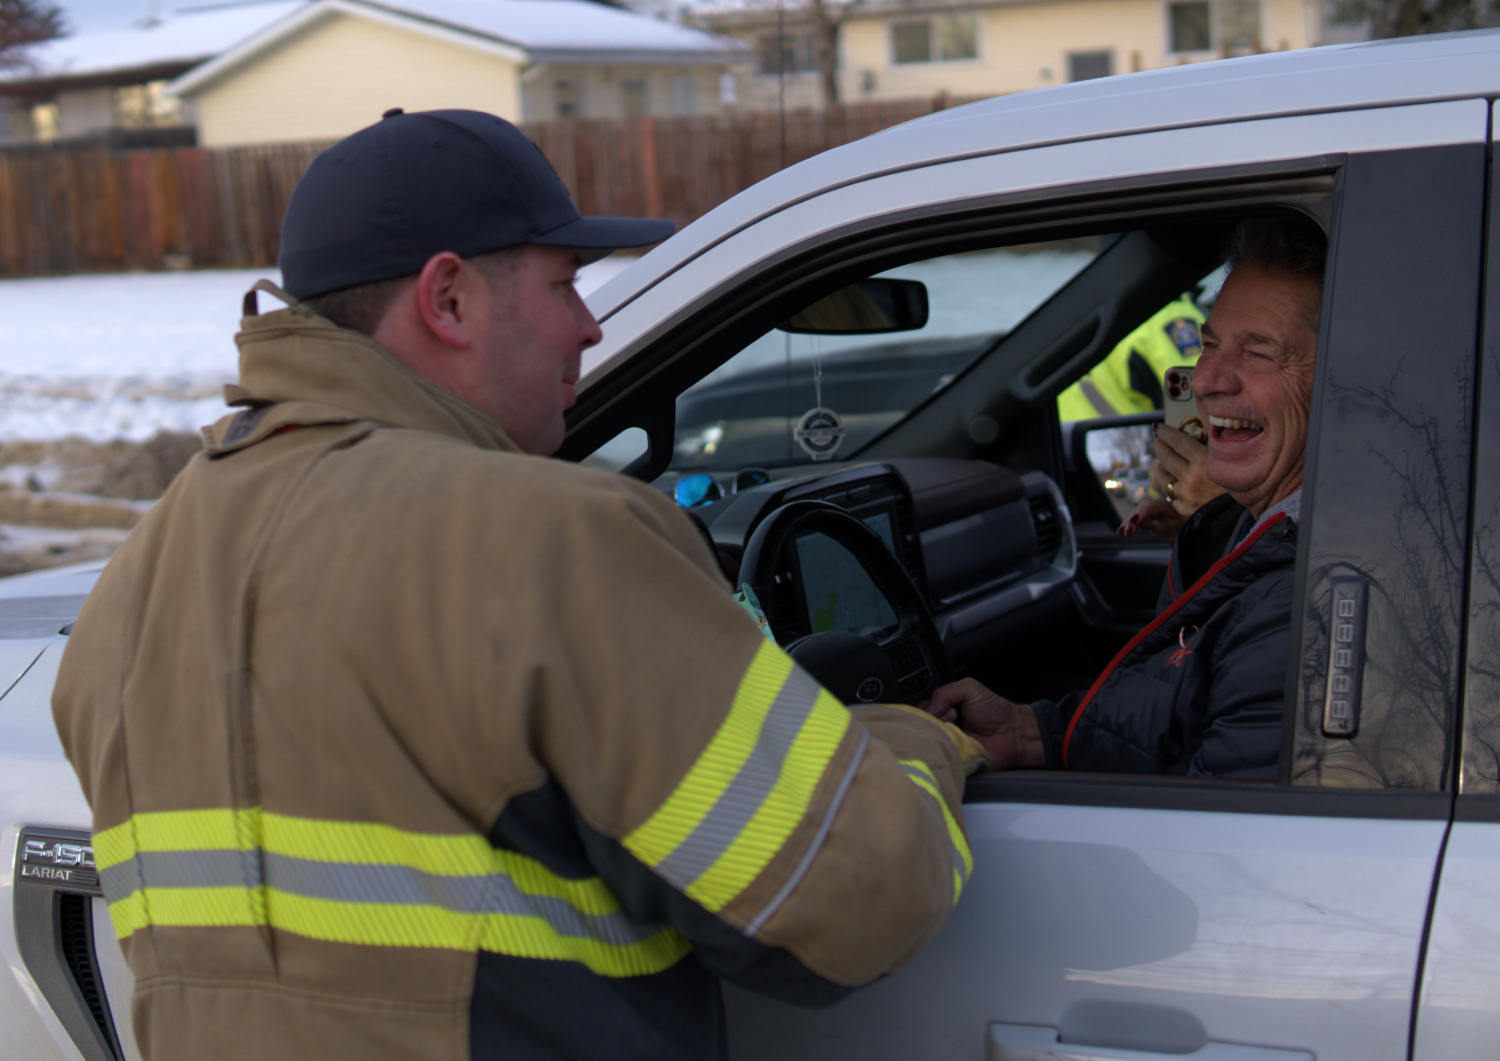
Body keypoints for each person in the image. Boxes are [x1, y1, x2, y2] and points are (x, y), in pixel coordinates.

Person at [52, 110, 987, 1061]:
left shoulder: (130, 587)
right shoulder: (557, 537)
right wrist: (917, 739)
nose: (589, 324)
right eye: (564, 283)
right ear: (448, 299)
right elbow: (848, 902)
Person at [929, 216, 1325, 779]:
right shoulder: (1287, 539)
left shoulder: (1300, 596)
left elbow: (1222, 839)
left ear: (1342, 373)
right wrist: (1027, 733)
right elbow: (1181, 719)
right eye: (1209, 343)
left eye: (1259, 351)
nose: (1208, 378)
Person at [1056, 295, 1206, 421]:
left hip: (1075, 449)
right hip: (1136, 452)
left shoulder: (1084, 314)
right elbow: (1194, 414)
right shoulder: (1168, 315)